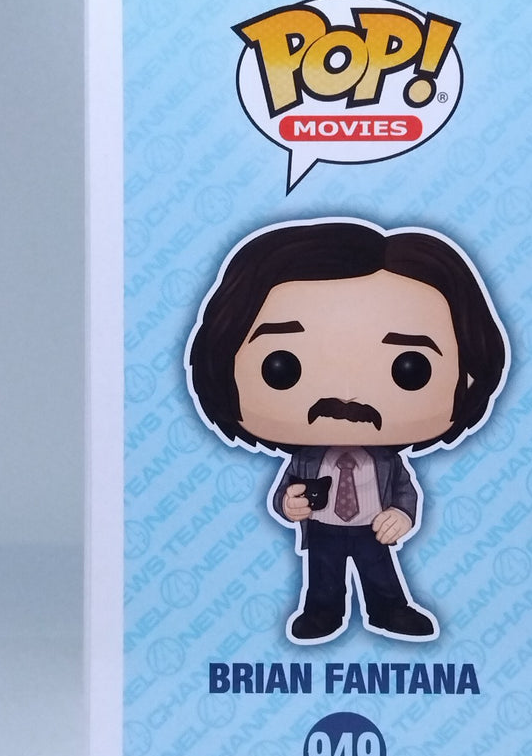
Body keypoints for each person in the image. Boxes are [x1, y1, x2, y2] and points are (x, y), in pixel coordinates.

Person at [186, 218, 508, 643]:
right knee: (323, 576)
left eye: (410, 368)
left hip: (372, 526)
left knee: (381, 574)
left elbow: (405, 491)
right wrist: (289, 504)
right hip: (323, 529)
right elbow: (286, 491)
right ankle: (322, 613)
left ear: (467, 376)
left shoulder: (387, 461)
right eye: (281, 366)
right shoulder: (305, 458)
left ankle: (389, 610)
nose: (345, 396)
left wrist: (401, 514)